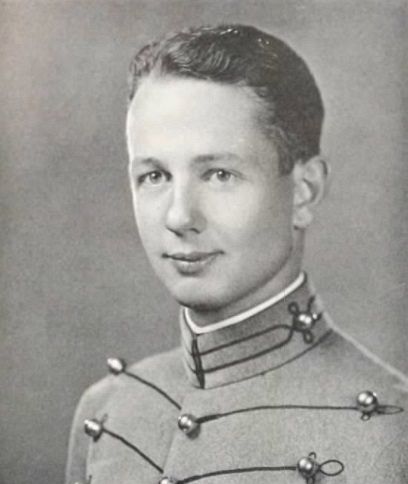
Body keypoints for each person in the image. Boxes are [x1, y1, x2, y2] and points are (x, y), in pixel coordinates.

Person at [65, 24, 408, 484]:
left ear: (304, 191)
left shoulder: (391, 433)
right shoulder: (108, 413)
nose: (179, 216)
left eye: (219, 174)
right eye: (155, 176)